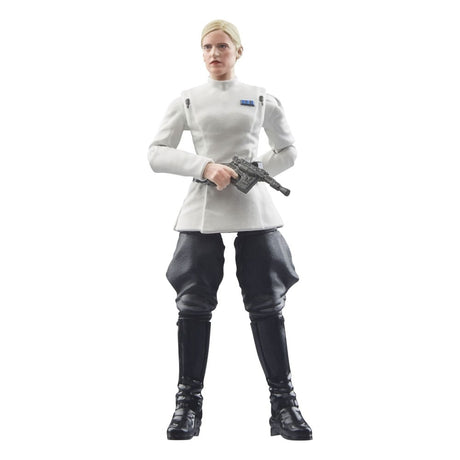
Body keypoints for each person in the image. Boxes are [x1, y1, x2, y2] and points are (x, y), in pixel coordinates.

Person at [148, 19, 312, 441]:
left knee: (267, 301)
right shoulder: (188, 99)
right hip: (203, 206)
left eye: (222, 46)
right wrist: (204, 166)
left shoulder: (260, 97)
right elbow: (157, 153)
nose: (214, 54)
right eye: (207, 47)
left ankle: (284, 403)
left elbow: (288, 150)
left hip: (252, 205)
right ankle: (188, 403)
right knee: (192, 302)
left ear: (238, 51)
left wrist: (253, 173)